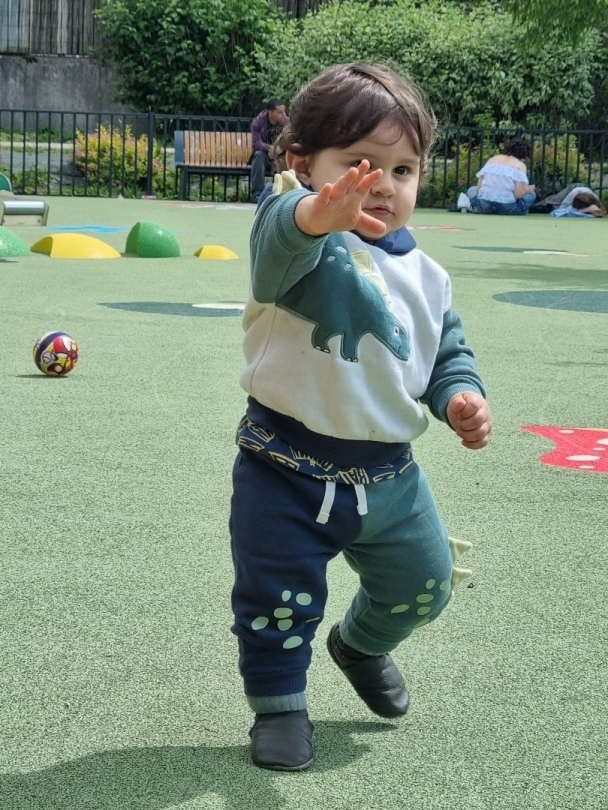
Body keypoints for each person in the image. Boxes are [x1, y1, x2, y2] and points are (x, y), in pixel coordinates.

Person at [230, 62, 493, 772]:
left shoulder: (429, 276)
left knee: (425, 585)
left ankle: (361, 645)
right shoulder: (296, 237)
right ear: (302, 164)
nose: (382, 183)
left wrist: (460, 397)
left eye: (403, 169)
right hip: (283, 469)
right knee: (277, 600)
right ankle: (279, 706)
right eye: (360, 164)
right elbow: (279, 241)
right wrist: (314, 215)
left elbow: (442, 353)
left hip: (389, 477)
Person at [466, 137, 536, 215]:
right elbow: (518, 195)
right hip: (507, 206)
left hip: (484, 204)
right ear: (525, 155)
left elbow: (479, 189)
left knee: (472, 189)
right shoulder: (520, 165)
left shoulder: (492, 159)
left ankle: (475, 207)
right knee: (531, 195)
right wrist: (526, 190)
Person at [249, 98, 289, 203]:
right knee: (258, 156)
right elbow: (256, 143)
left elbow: (290, 140)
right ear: (270, 113)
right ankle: (257, 194)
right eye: (280, 112)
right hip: (265, 155)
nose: (284, 115)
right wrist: (270, 149)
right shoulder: (258, 122)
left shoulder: (286, 122)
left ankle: (282, 193)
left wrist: (280, 149)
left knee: (287, 158)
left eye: (284, 111)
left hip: (280, 154)